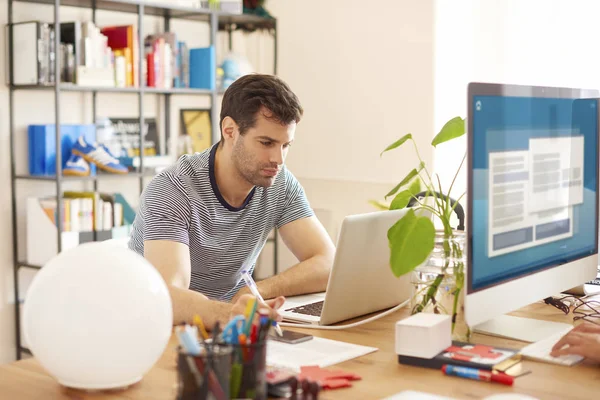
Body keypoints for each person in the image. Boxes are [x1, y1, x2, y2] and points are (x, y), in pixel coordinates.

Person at [128, 74, 336, 328]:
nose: (278, 159)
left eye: (285, 145)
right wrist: (229, 313)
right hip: (156, 327)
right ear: (230, 131)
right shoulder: (173, 190)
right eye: (266, 143)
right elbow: (167, 296)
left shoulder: (279, 183)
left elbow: (327, 262)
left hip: (227, 326)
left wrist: (256, 291)